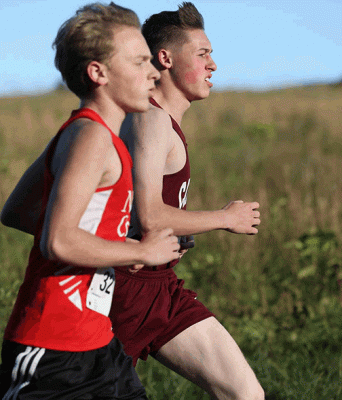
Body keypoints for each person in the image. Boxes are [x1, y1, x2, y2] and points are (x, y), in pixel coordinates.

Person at [0, 3, 180, 399]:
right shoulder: (91, 138)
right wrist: (145, 251)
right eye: (138, 62)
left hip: (98, 342)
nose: (153, 72)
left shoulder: (97, 136)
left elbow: (15, 211)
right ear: (98, 73)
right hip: (52, 350)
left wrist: (119, 246)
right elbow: (58, 241)